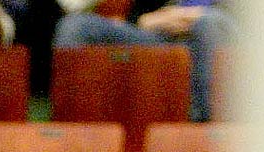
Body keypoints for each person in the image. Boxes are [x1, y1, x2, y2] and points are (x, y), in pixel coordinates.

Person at [53, 0, 237, 122]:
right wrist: (148, 19)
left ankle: (201, 125)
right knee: (75, 25)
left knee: (209, 23)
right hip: (162, 34)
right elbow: (137, 16)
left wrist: (194, 16)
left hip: (223, 34)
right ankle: (68, 120)